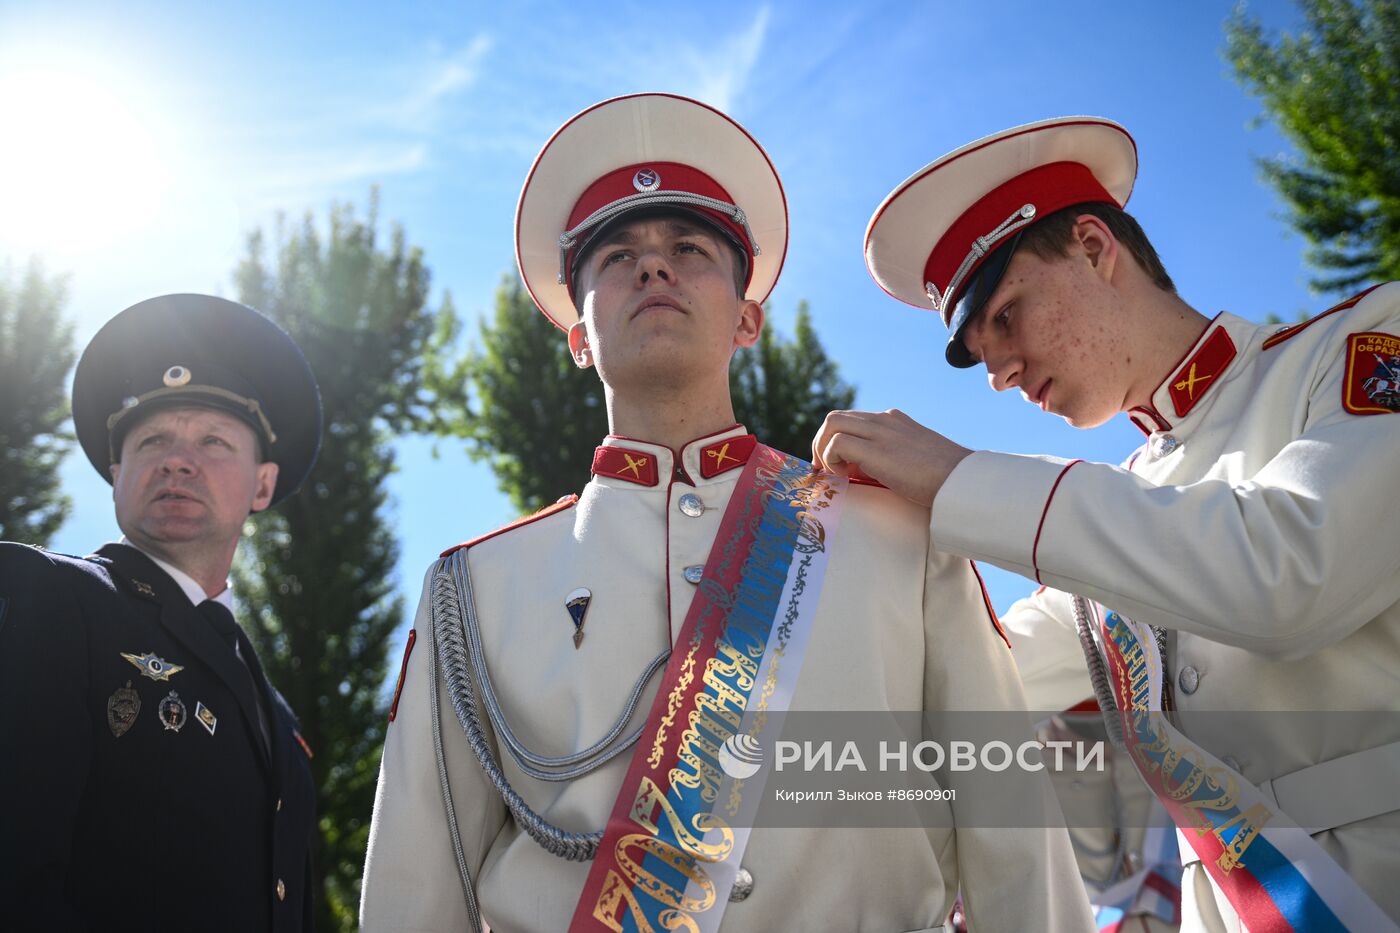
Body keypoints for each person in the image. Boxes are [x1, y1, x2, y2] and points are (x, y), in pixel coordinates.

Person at [360, 94, 1092, 932]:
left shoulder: (899, 529)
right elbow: (418, 884)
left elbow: (1009, 821)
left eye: (689, 249)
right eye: (617, 257)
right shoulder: (474, 588)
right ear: (579, 338)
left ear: (749, 319)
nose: (653, 267)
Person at [816, 116, 1400, 929]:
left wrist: (960, 480)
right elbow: (977, 683)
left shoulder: (1358, 345)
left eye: (1008, 316)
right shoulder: (1113, 514)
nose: (1001, 373)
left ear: (1095, 247)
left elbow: (1291, 570)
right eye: (983, 354)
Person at [0, 294, 324, 932]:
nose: (178, 459)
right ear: (117, 473)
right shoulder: (46, 600)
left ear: (262, 485)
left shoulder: (279, 721)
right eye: (153, 440)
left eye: (212, 440)